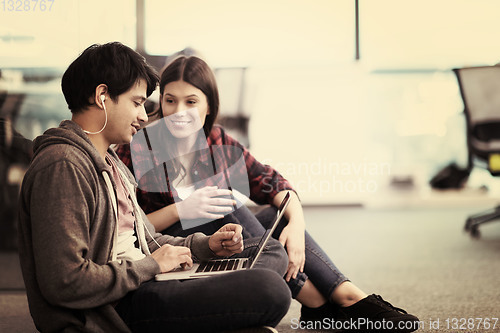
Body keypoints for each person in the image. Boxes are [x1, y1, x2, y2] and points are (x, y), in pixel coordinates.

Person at [117, 55, 421, 332]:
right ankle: (323, 303)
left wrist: (297, 225)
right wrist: (182, 210)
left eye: (191, 102)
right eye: (170, 101)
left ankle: (344, 295)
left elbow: (272, 182)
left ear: (209, 105)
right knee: (223, 202)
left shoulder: (216, 140)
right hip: (166, 244)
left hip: (214, 238)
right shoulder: (139, 146)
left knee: (275, 213)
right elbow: (130, 229)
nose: (179, 112)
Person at [17, 42, 292, 333]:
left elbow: (147, 242)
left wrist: (205, 247)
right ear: (102, 96)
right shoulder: (63, 165)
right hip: (118, 307)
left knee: (271, 252)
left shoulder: (110, 162)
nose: (145, 116)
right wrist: (151, 267)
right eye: (136, 103)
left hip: (144, 280)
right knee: (269, 289)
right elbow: (64, 283)